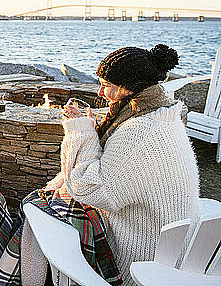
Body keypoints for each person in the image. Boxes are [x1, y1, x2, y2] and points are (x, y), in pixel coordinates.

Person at [56, 44, 200, 285]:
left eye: (107, 86)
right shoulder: (161, 113)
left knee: (37, 205)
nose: (100, 92)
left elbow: (89, 189)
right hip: (174, 244)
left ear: (130, 88)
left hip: (144, 258)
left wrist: (81, 131)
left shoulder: (139, 131)